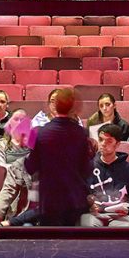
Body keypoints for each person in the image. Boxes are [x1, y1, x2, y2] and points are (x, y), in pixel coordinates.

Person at [27, 86, 92, 226]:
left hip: (49, 200)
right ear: (73, 108)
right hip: (74, 199)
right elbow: (86, 169)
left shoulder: (39, 132)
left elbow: (31, 167)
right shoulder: (81, 133)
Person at [83, 125, 129, 227]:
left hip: (120, 215)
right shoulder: (87, 167)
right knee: (86, 224)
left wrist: (127, 208)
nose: (103, 144)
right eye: (101, 140)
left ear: (118, 144)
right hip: (93, 214)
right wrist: (89, 204)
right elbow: (81, 193)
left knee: (127, 228)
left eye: (109, 141)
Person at [0, 112, 38, 226]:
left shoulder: (53, 166)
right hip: (25, 214)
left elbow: (44, 208)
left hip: (49, 217)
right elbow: (7, 190)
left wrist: (10, 222)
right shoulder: (19, 165)